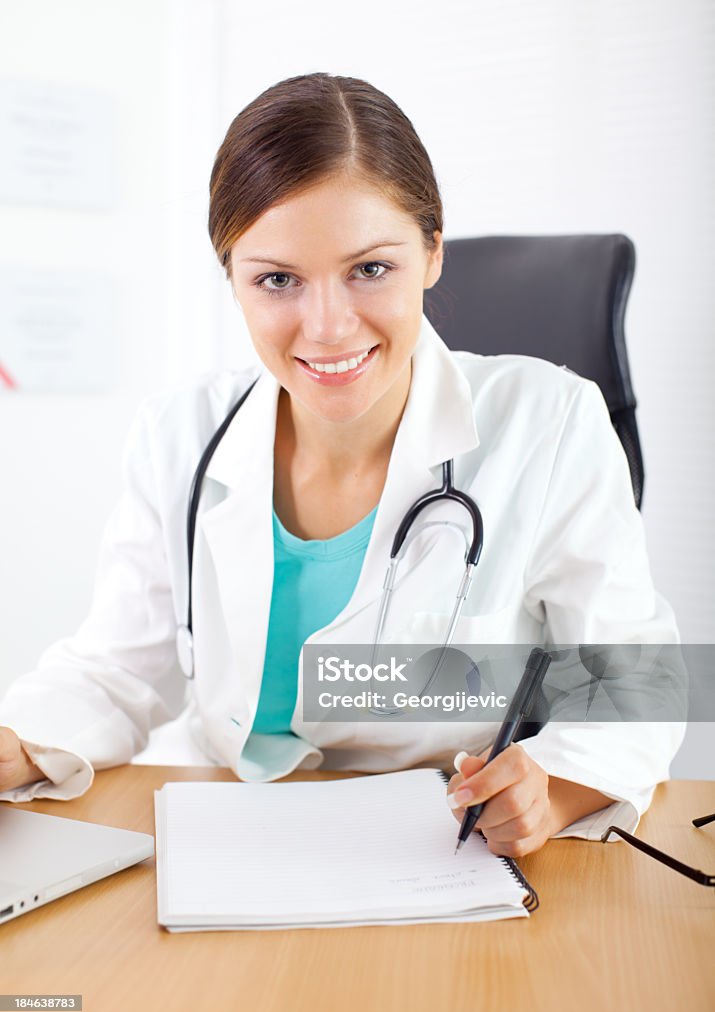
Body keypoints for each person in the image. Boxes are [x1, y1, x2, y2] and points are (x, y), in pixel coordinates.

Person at [0, 72, 683, 858]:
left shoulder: (548, 421)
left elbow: (637, 682)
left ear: (432, 253)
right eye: (277, 280)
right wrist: (23, 741)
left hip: (438, 855)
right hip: (225, 838)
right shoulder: (179, 434)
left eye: (369, 269)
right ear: (232, 279)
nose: (326, 328)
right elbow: (117, 668)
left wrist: (552, 789)